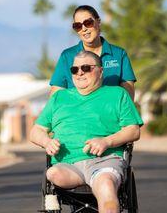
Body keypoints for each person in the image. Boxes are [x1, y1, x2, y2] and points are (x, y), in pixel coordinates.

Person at [30, 51, 143, 213]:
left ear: (101, 71)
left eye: (86, 68)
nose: (80, 72)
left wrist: (106, 141)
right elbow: (36, 131)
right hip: (67, 166)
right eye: (75, 70)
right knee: (53, 173)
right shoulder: (59, 98)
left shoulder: (117, 95)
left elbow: (133, 130)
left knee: (105, 187)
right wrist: (46, 142)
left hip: (104, 162)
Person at [50, 5, 136, 100]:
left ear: (98, 22)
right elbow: (55, 97)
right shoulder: (67, 56)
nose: (84, 29)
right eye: (78, 26)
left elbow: (128, 98)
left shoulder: (119, 54)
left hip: (110, 114)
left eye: (88, 23)